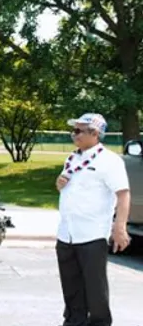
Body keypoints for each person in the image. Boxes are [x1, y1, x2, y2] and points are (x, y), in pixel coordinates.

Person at [56, 113, 130, 326]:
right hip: (67, 233)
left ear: (95, 134)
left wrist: (120, 227)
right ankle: (73, 321)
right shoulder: (72, 158)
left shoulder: (109, 161)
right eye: (73, 130)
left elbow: (123, 194)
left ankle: (99, 322)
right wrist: (59, 183)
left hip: (92, 234)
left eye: (78, 131)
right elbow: (68, 186)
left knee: (95, 288)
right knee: (71, 286)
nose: (74, 134)